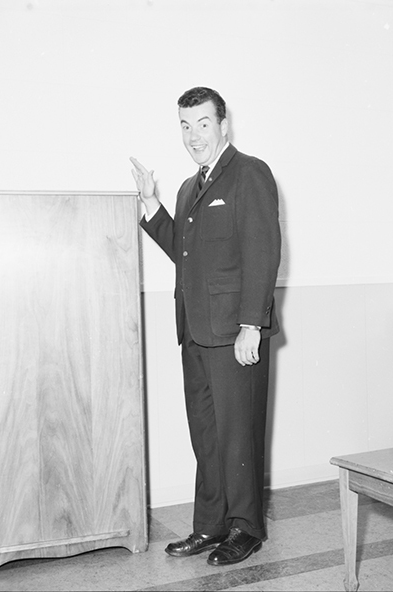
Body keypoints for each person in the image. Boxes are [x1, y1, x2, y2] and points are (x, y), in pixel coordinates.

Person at [130, 86, 281, 566]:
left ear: (223, 125)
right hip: (195, 332)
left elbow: (263, 252)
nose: (194, 135)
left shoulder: (249, 173)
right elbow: (186, 252)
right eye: (185, 125)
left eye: (203, 124)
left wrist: (251, 325)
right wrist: (152, 204)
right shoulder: (187, 187)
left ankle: (246, 528)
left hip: (235, 333)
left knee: (238, 436)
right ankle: (211, 525)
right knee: (207, 436)